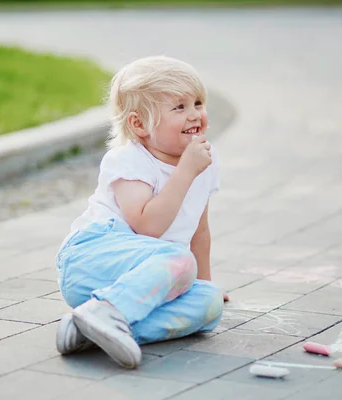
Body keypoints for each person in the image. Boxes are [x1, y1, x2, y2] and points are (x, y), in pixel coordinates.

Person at [54, 55, 225, 369]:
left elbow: (200, 231)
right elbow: (147, 227)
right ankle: (106, 312)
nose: (195, 115)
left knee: (209, 304)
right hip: (91, 258)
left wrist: (205, 282)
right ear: (139, 124)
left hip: (139, 285)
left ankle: (90, 329)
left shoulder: (205, 164)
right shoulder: (129, 159)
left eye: (198, 103)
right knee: (178, 258)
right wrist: (185, 172)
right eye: (179, 107)